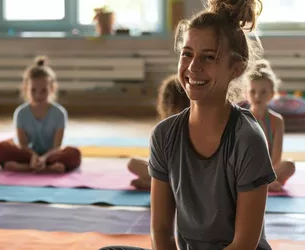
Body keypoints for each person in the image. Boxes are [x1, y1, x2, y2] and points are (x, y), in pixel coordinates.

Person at [101, 0, 276, 249]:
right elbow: (161, 231)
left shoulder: (247, 139)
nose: (193, 67)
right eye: (187, 54)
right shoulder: (164, 135)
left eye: (209, 57)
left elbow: (244, 244)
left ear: (235, 68)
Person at [0, 56, 81, 173]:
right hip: (28, 156)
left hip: (51, 156)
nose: (38, 95)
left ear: (52, 89)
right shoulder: (21, 113)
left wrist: (44, 158)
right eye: (33, 90)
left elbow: (56, 147)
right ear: (26, 89)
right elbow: (23, 146)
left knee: (74, 154)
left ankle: (28, 168)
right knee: (1, 149)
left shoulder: (59, 113)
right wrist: (34, 157)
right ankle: (45, 168)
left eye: (43, 90)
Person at [127, 74, 190, 190]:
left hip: (180, 177)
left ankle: (160, 186)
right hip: (187, 177)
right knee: (135, 163)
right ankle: (160, 184)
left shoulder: (166, 129)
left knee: (133, 163)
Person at [246, 59, 295, 192]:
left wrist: (268, 175)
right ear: (246, 93)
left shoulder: (277, 120)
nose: (257, 96)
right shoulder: (242, 118)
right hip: (247, 170)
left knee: (289, 165)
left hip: (270, 170)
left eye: (263, 92)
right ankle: (265, 184)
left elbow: (276, 157)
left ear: (272, 94)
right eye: (253, 91)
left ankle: (262, 184)